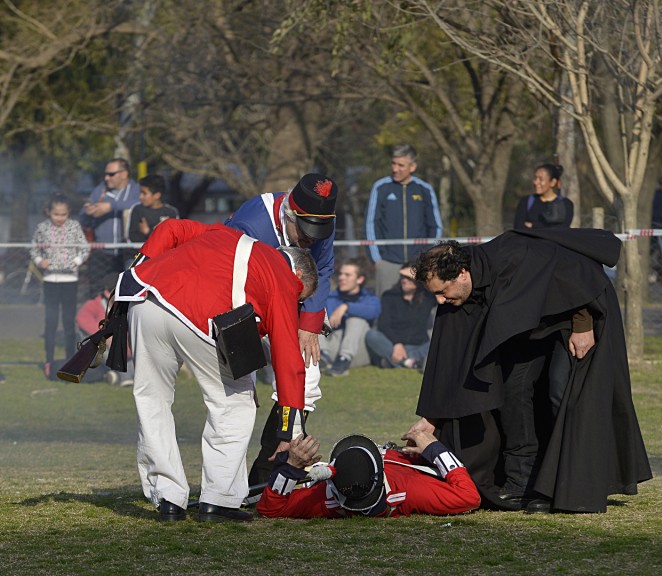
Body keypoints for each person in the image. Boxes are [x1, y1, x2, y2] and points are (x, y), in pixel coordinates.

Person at [408, 229, 651, 514]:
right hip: (529, 329)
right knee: (512, 393)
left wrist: (583, 325)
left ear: (461, 273)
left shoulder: (517, 255)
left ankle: (565, 485)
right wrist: (433, 417)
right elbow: (450, 360)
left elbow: (578, 271)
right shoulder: (460, 294)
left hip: (570, 315)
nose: (439, 301)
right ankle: (523, 482)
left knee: (561, 392)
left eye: (441, 292)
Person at [113, 219, 317, 522]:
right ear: (298, 275)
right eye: (301, 298)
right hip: (202, 316)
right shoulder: (285, 279)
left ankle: (168, 498)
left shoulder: (224, 233)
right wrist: (289, 432)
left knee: (151, 399)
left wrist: (140, 269)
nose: (296, 303)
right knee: (235, 402)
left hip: (145, 298)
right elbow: (289, 361)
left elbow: (170, 228)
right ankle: (218, 499)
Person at [223, 173, 338, 487]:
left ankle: (267, 476)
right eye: (304, 231)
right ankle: (224, 485)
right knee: (239, 397)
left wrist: (310, 324)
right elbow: (229, 279)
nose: (311, 239)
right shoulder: (252, 223)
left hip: (293, 304)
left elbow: (324, 268)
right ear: (289, 213)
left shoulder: (320, 223)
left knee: (308, 378)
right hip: (242, 310)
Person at [256, 430, 480, 519]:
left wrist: (289, 469)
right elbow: (470, 497)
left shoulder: (325, 499)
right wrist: (435, 449)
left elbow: (270, 508)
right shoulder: (409, 491)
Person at [366, 144, 442, 295]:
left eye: (401, 165)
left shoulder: (425, 189)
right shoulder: (380, 187)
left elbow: (435, 226)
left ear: (412, 166)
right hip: (388, 262)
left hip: (419, 263)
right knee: (386, 311)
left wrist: (429, 256)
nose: (395, 169)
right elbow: (371, 224)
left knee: (422, 308)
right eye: (393, 163)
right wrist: (377, 259)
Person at [32, 194, 90, 379]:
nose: (60, 218)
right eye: (56, 214)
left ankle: (69, 361)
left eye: (63, 214)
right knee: (51, 322)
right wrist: (40, 260)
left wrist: (77, 260)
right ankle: (49, 361)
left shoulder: (74, 226)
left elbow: (85, 248)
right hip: (50, 280)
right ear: (49, 212)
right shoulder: (42, 228)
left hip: (70, 280)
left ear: (68, 213)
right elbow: (34, 248)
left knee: (68, 322)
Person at [80, 158, 140, 293]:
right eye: (105, 174)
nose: (107, 178)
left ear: (124, 174)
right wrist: (89, 211)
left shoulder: (136, 189)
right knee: (96, 293)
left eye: (111, 174)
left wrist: (112, 206)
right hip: (102, 251)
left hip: (127, 253)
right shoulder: (100, 190)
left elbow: (139, 204)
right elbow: (83, 216)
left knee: (125, 294)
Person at [365, 263, 436, 370]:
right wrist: (397, 344)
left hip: (419, 344)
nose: (404, 280)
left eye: (408, 278)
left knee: (436, 345)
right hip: (392, 344)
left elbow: (440, 287)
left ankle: (396, 362)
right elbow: (383, 324)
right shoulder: (389, 296)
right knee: (372, 335)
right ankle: (412, 362)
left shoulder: (428, 298)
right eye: (402, 277)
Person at [319, 257, 381, 376]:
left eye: (347, 275)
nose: (341, 278)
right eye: (341, 274)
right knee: (316, 318)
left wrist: (346, 307)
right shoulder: (330, 298)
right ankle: (323, 357)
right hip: (334, 346)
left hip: (357, 350)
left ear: (360, 279)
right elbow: (326, 329)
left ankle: (344, 359)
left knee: (356, 320)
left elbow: (373, 312)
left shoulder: (370, 299)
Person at [75, 272, 134, 386]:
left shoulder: (128, 309)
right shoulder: (94, 305)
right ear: (108, 293)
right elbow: (82, 318)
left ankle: (116, 376)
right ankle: (125, 376)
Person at [512, 163, 574, 230]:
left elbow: (562, 229)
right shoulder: (526, 202)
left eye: (541, 179)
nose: (536, 182)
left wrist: (533, 225)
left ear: (552, 182)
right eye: (535, 178)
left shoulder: (566, 204)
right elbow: (518, 227)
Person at [125, 174, 179, 243]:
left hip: (162, 253)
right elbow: (133, 237)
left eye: (144, 193)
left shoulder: (171, 212)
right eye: (140, 193)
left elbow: (172, 239)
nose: (140, 197)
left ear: (157, 195)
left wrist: (148, 232)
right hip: (140, 252)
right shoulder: (138, 210)